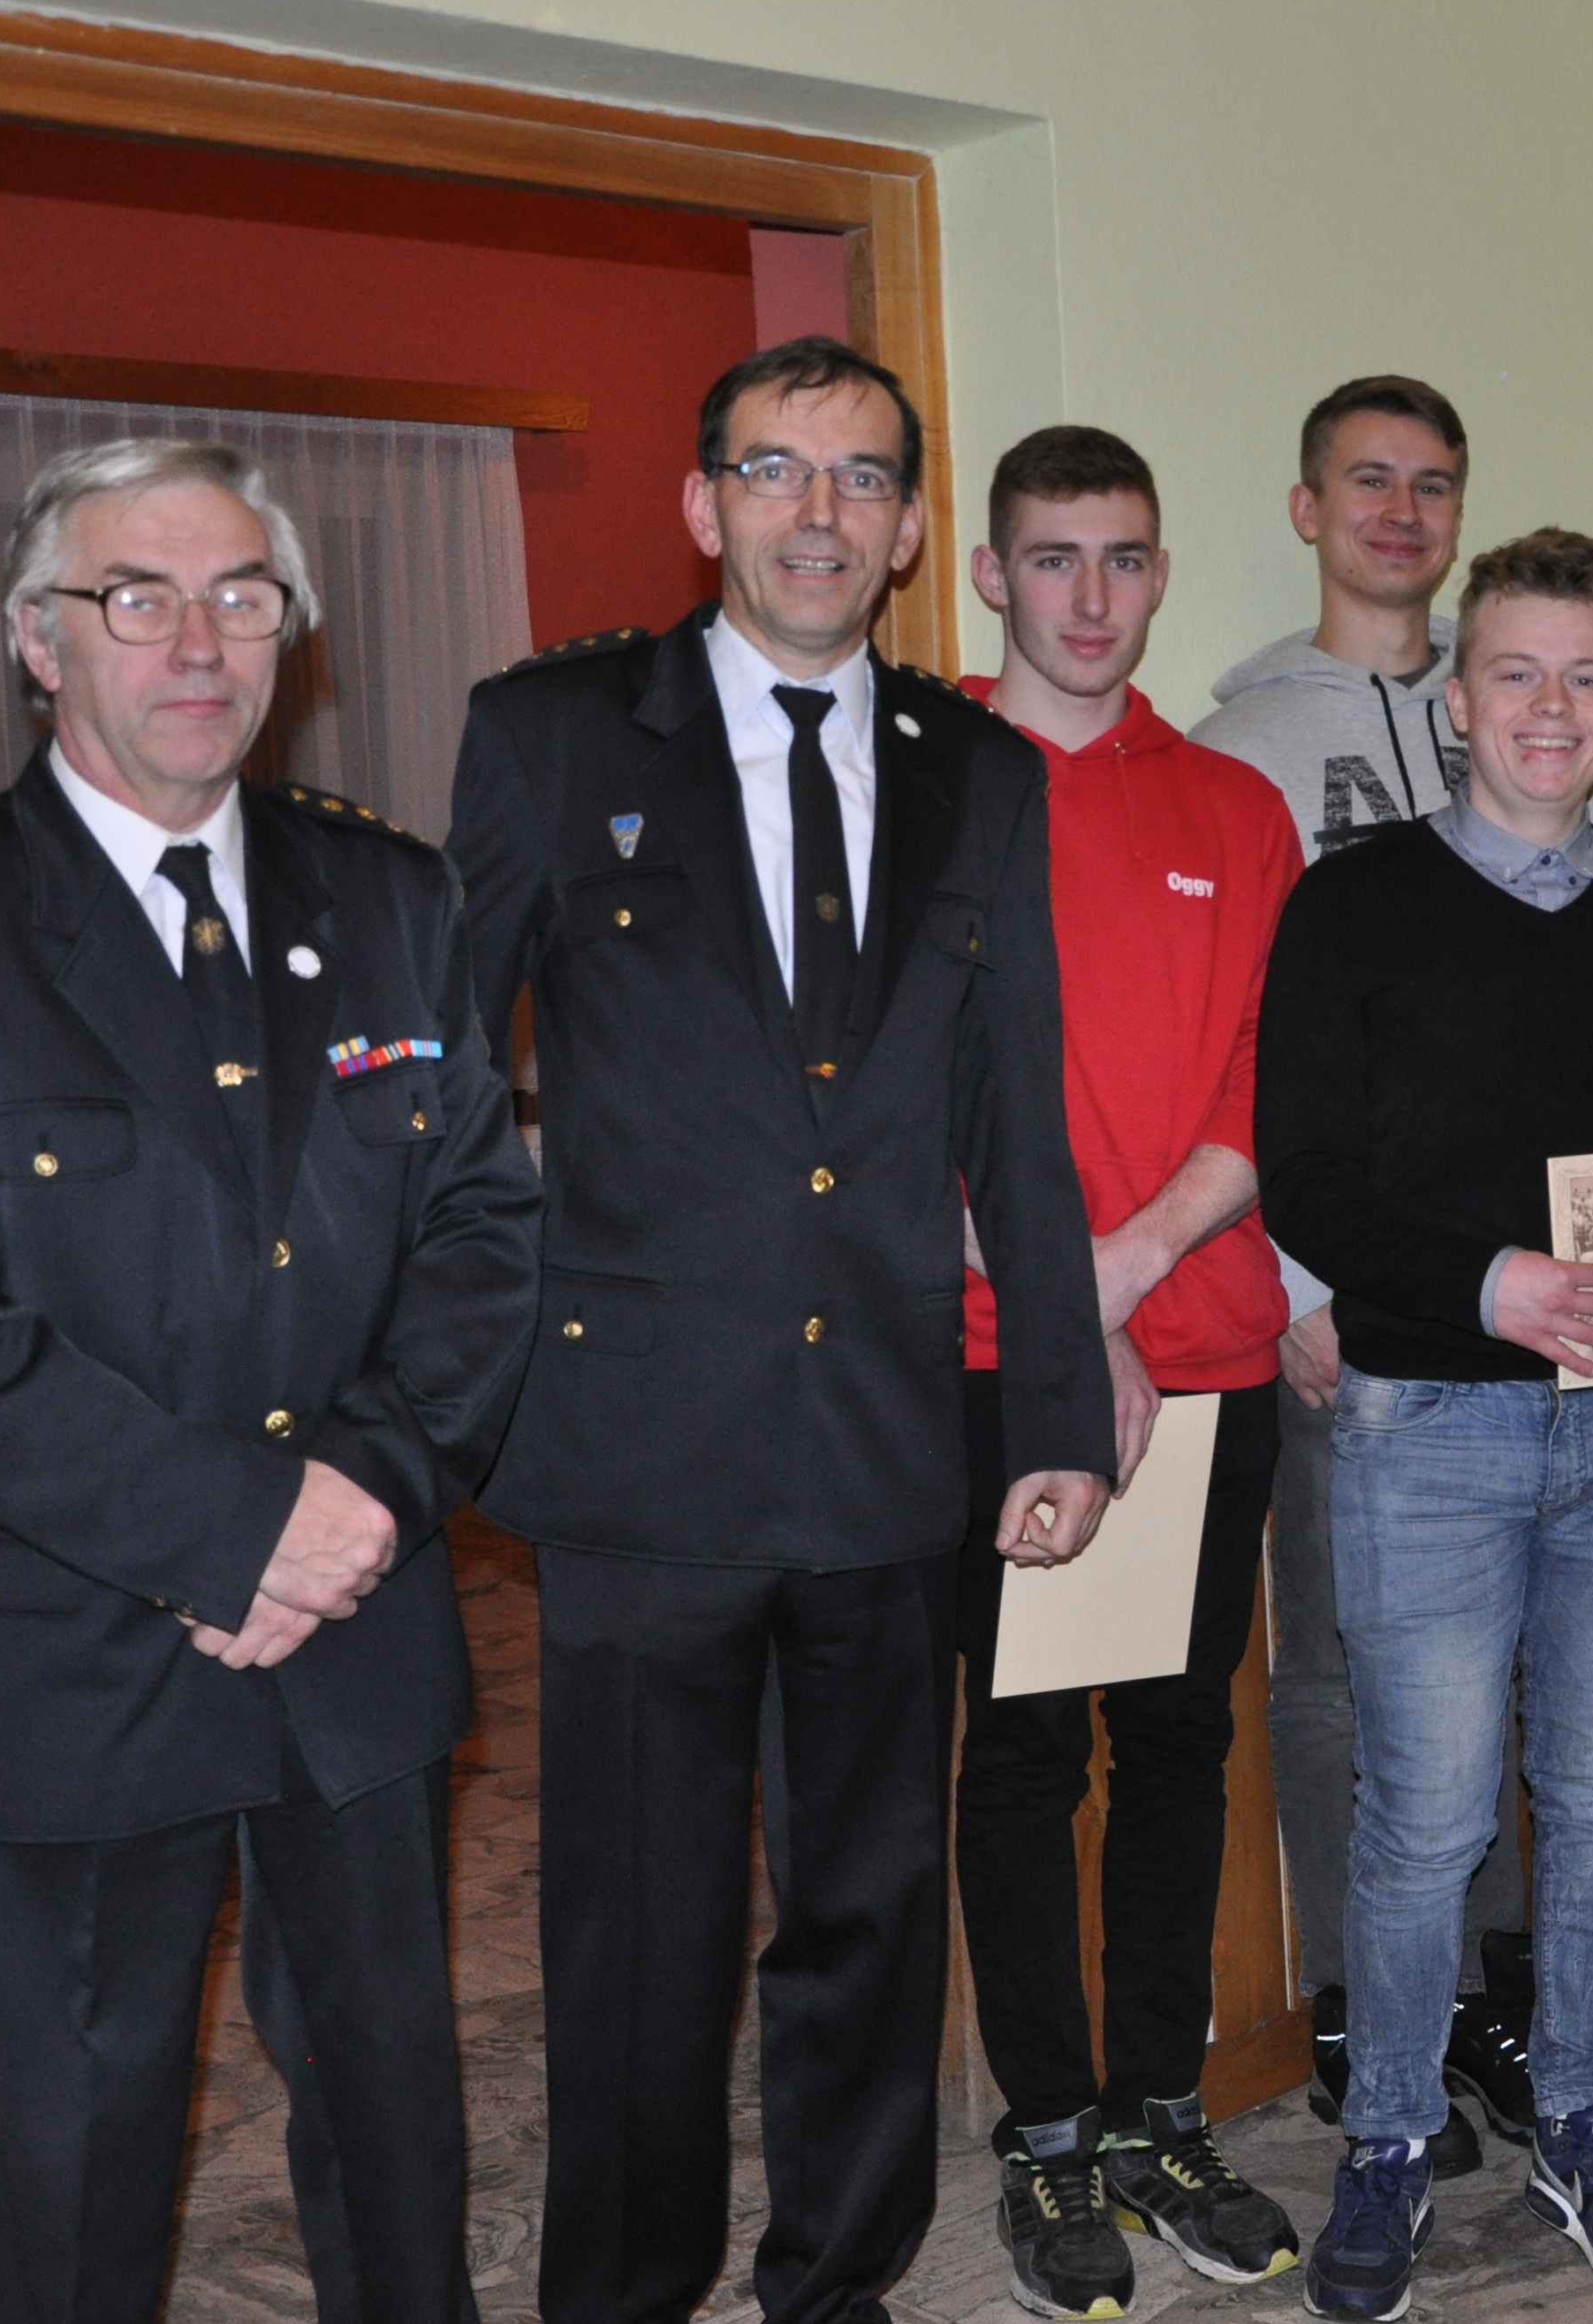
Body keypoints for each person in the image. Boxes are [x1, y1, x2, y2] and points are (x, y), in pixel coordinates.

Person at [0, 437, 540, 2323]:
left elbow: (478, 1234)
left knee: (393, 2125)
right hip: (75, 1642)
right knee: (64, 2164)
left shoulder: (391, 893)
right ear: (38, 640)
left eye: (242, 595)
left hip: (358, 1621)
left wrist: (367, 1494)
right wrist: (238, 1532)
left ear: (290, 631)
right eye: (138, 597)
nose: (198, 641)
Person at [446, 337, 1116, 2324]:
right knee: (637, 1929)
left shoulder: (980, 773)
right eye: (772, 470)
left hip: (888, 1445)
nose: (817, 513)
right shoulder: (554, 736)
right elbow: (440, 1091)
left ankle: (837, 2279)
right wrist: (458, 1385)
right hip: (637, 1454)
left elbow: (1018, 1114)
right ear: (702, 505)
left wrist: (1058, 1414)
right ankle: (622, 2290)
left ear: (908, 530)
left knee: (871, 1909)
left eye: (860, 478)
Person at [1258, 529, 1593, 2321]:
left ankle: (1577, 2110)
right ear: (1457, 698)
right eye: (1515, 673)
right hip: (1425, 1422)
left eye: (1585, 676)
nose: (1551, 707)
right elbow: (1309, 1176)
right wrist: (1495, 1285)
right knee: (1423, 1817)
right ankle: (1393, 2132)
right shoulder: (1350, 904)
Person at [948, 425, 1308, 2314]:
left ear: (1162, 573)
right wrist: (1062, 1317)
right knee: (1024, 1754)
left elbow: (1271, 1078)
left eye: (1124, 558)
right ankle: (1045, 2131)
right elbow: (882, 1095)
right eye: (1053, 557)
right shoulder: (918, 792)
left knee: (1178, 1743)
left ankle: (1162, 2108)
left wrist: (1133, 1268)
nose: (1091, 597)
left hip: (1209, 1345)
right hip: (991, 1358)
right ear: (990, 573)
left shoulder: (1236, 810)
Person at [1190, 374, 1537, 2167]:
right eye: (1369, 481)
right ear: (1307, 508)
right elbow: (1234, 1041)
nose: (1402, 512)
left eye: (1433, 484)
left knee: (1501, 1662)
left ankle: (1481, 1988)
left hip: (1504, 1295)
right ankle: (1350, 1996)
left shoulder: (1519, 711)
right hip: (1332, 1300)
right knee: (1335, 1671)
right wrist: (1286, 1280)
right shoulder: (1242, 746)